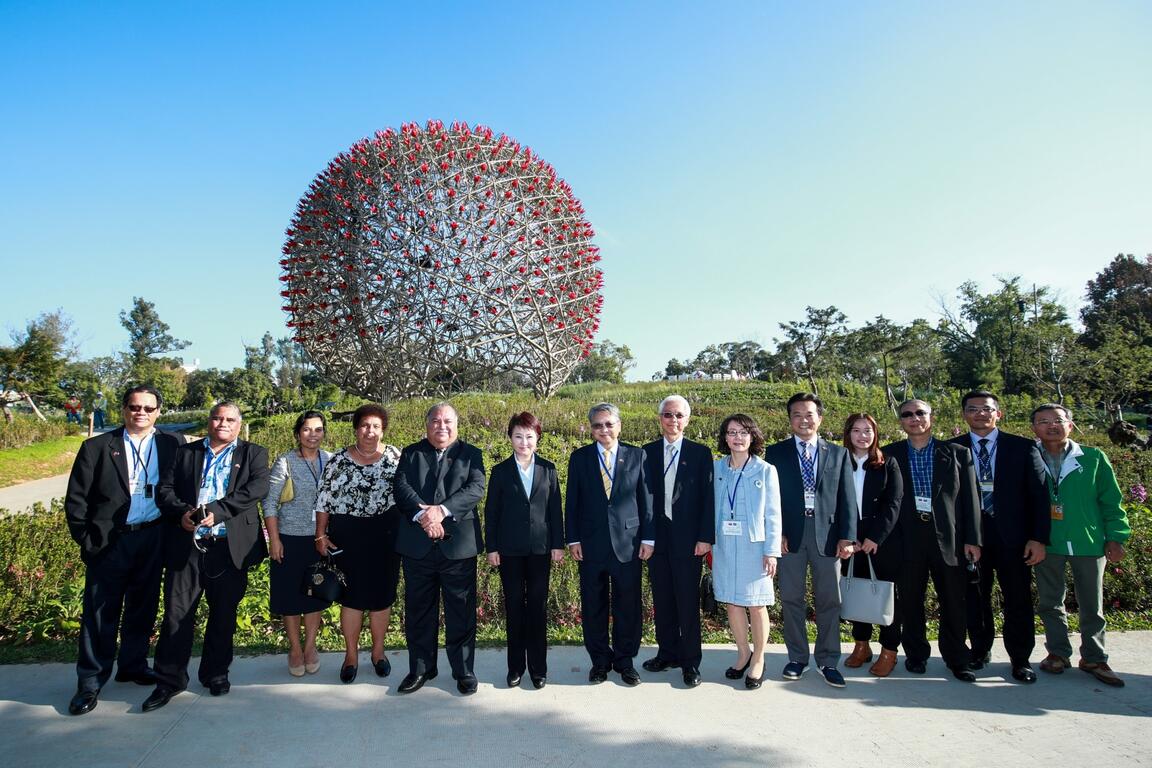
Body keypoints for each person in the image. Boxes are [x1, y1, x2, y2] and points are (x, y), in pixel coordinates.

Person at [63, 385, 182, 715]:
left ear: (158, 411)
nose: (140, 413)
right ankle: (90, 681)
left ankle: (132, 665)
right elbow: (76, 501)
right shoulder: (98, 446)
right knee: (100, 612)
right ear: (124, 409)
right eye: (134, 407)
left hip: (153, 536)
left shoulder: (172, 443)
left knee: (142, 608)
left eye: (147, 407)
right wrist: (89, 541)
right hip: (111, 541)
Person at [143, 401, 269, 711]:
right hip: (187, 546)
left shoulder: (253, 454)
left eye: (229, 419)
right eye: (217, 418)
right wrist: (183, 513)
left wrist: (217, 512)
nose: (222, 423)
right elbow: (165, 490)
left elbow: (257, 489)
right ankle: (169, 679)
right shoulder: (187, 452)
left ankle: (215, 673)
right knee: (176, 614)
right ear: (209, 421)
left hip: (228, 547)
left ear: (238, 425)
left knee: (223, 614)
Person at [949, 391, 1049, 683]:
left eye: (987, 409)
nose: (980, 414)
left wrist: (1038, 538)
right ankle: (979, 651)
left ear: (998, 414)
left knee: (1017, 598)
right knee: (975, 598)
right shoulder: (952, 448)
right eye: (973, 409)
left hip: (1013, 538)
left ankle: (1020, 659)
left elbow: (1039, 497)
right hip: (970, 538)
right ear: (964, 414)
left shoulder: (1023, 448)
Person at [1031, 403, 1131, 687]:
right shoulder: (1029, 457)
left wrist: (1116, 536)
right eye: (1043, 421)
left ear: (1070, 425)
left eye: (1058, 420)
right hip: (1047, 542)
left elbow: (1111, 500)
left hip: (1088, 541)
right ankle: (1058, 653)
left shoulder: (1093, 457)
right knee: (1050, 602)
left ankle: (1094, 657)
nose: (1051, 425)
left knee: (1092, 603)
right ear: (1034, 428)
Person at [883, 399, 981, 682]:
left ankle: (956, 657)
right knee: (910, 600)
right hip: (907, 538)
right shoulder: (890, 454)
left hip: (948, 538)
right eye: (907, 415)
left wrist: (973, 539)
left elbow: (970, 500)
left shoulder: (957, 452)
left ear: (931, 417)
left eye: (920, 413)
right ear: (901, 421)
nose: (914, 418)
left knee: (953, 600)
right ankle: (916, 654)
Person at [763, 393, 857, 687]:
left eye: (809, 414)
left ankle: (828, 661)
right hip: (790, 535)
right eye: (797, 415)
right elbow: (770, 498)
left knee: (830, 600)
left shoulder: (838, 453)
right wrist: (776, 533)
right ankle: (797, 658)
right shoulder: (777, 453)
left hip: (827, 535)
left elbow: (847, 498)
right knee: (791, 598)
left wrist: (848, 537)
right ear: (789, 419)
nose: (803, 420)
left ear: (820, 418)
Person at [393, 402, 486, 695]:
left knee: (461, 610)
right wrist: (424, 516)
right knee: (419, 610)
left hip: (457, 548)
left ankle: (463, 670)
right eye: (435, 420)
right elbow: (401, 487)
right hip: (417, 547)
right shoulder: (411, 453)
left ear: (456, 425)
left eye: (447, 421)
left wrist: (441, 511)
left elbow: (475, 488)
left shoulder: (471, 454)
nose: (441, 426)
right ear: (427, 424)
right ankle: (421, 669)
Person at [566, 402, 654, 686]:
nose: (604, 429)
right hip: (591, 545)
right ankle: (600, 662)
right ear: (591, 429)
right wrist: (573, 539)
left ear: (619, 425)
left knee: (628, 605)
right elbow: (573, 501)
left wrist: (648, 538)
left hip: (628, 544)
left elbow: (646, 501)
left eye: (609, 424)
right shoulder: (580, 458)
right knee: (594, 606)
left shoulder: (637, 455)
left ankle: (625, 661)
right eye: (597, 425)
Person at [314, 403, 402, 684]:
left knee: (381, 598)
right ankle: (350, 656)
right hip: (347, 535)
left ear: (383, 430)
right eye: (365, 425)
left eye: (376, 426)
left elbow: (408, 495)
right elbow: (324, 499)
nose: (370, 431)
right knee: (351, 599)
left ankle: (378, 653)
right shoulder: (338, 459)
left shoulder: (395, 457)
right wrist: (320, 534)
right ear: (356, 428)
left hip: (385, 536)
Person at [484, 412, 565, 689]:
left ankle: (538, 669)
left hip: (541, 550)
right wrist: (491, 547)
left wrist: (558, 545)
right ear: (510, 438)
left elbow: (555, 510)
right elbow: (491, 512)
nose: (523, 442)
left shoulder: (548, 469)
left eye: (529, 436)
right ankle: (515, 667)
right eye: (518, 436)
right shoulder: (500, 471)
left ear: (537, 438)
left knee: (538, 609)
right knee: (515, 607)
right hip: (509, 550)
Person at [641, 395, 714, 688]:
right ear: (660, 419)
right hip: (656, 539)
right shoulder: (646, 452)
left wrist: (705, 538)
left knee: (686, 600)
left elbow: (709, 498)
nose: (673, 420)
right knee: (663, 598)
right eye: (668, 415)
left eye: (679, 415)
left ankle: (690, 661)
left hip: (689, 540)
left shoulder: (700, 453)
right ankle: (667, 652)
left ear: (688, 420)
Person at [712, 414, 781, 690]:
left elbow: (774, 514)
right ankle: (743, 654)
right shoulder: (717, 468)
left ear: (753, 437)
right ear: (725, 438)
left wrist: (772, 551)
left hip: (755, 546)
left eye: (743, 432)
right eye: (731, 432)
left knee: (756, 602)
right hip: (725, 544)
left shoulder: (765, 471)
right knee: (731, 601)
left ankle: (759, 659)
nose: (737, 438)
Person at [263, 410, 333, 678]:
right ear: (297, 433)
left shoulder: (330, 460)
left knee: (315, 594)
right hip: (290, 539)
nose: (312, 435)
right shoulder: (286, 462)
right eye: (307, 430)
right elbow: (269, 502)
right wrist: (275, 539)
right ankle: (294, 649)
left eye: (318, 429)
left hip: (319, 538)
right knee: (290, 597)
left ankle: (311, 647)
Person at [839, 413, 904, 677]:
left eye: (868, 430)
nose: (862, 436)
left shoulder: (887, 462)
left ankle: (889, 650)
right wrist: (847, 537)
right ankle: (861, 645)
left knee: (886, 595)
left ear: (875, 433)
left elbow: (894, 502)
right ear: (848, 433)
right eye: (857, 430)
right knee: (856, 591)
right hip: (849, 539)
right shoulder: (839, 461)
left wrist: (875, 537)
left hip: (882, 539)